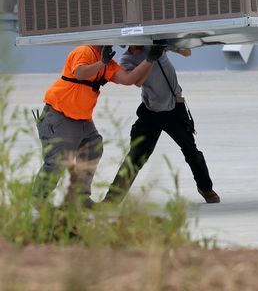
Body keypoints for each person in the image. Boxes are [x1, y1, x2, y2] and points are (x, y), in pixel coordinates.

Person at [33, 44, 161, 207]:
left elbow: (128, 80)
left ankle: (80, 198)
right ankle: (39, 200)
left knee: (93, 149)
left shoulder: (108, 62)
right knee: (58, 160)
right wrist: (102, 63)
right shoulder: (84, 51)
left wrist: (149, 60)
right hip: (59, 116)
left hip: (83, 120)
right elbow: (80, 73)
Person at [103, 45, 220, 204]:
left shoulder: (155, 44)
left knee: (191, 151)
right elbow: (136, 82)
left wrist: (170, 45)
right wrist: (150, 59)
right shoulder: (127, 59)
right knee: (136, 156)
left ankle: (206, 188)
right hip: (151, 111)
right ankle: (111, 200)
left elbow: (187, 52)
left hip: (174, 109)